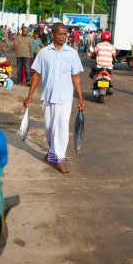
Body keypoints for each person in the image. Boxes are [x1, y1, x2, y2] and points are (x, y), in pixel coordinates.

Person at [23, 22, 85, 173]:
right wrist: (30, 95)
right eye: (61, 34)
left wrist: (80, 99)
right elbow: (36, 75)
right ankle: (52, 152)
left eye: (65, 34)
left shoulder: (72, 53)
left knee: (61, 128)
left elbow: (76, 77)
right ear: (53, 34)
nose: (64, 37)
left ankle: (59, 159)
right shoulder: (44, 53)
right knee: (50, 128)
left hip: (65, 97)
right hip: (48, 96)